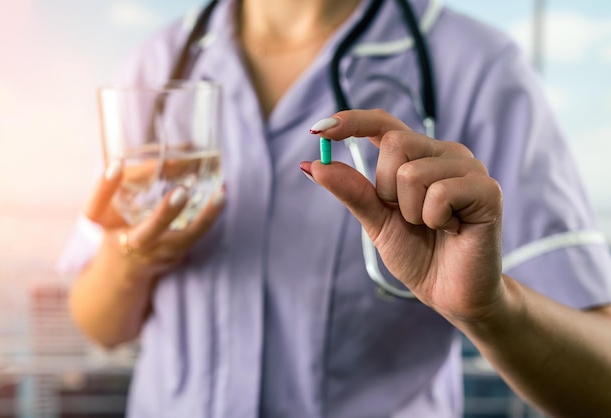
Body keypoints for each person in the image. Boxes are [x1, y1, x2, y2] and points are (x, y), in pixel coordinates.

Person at [58, 0, 611, 416]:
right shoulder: (154, 67)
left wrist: (490, 310)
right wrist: (131, 258)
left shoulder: (476, 67)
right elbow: (101, 325)